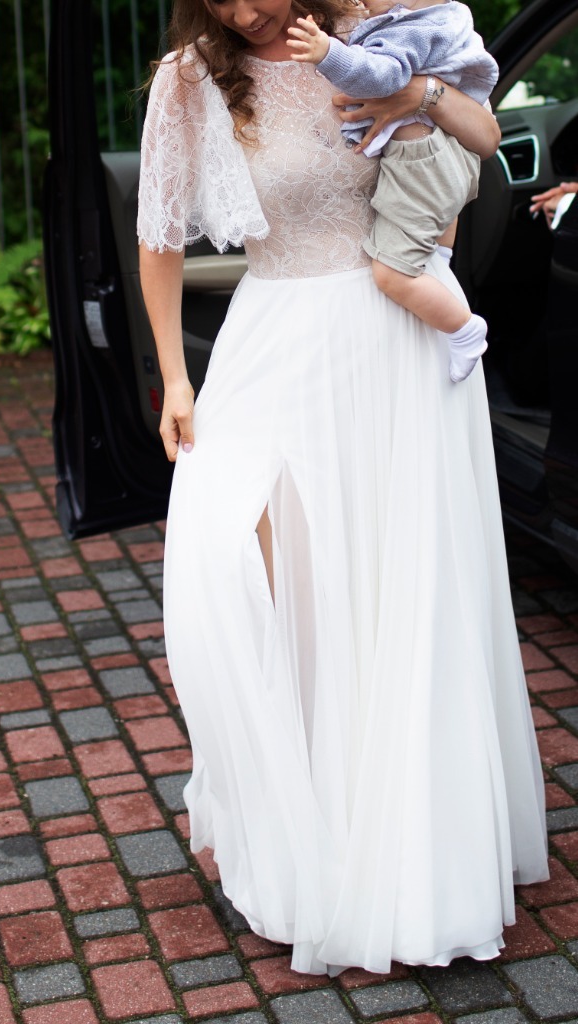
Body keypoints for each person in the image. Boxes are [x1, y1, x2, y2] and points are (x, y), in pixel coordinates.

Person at [137, 0, 549, 977]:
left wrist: (416, 93)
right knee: (238, 569)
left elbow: (482, 134)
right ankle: (300, 817)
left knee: (400, 588)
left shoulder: (377, 30)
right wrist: (176, 379)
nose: (244, 9)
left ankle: (406, 853)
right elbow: (159, 238)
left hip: (398, 337)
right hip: (274, 339)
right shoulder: (187, 79)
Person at [286, 0, 498, 382]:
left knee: (391, 275)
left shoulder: (405, 26)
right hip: (441, 162)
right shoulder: (442, 16)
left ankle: (465, 330)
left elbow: (383, 75)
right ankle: (438, 261)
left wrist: (329, 53)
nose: (362, 2)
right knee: (434, 236)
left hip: (422, 163)